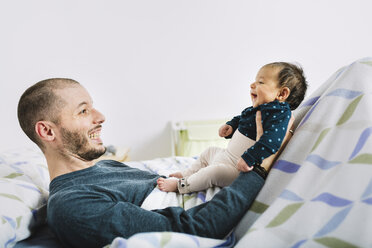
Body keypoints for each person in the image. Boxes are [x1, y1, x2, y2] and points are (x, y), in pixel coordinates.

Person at [17, 78, 293, 248]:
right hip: (250, 184)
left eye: (93, 106)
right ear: (48, 132)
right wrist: (260, 165)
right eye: (84, 110)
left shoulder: (104, 167)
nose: (100, 116)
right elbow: (192, 230)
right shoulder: (73, 206)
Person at [158, 62, 307, 194]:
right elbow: (243, 117)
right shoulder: (259, 108)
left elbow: (272, 141)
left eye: (261, 82)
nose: (252, 85)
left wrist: (250, 158)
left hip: (237, 170)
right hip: (226, 156)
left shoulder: (279, 115)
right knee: (209, 152)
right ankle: (187, 174)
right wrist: (231, 125)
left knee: (213, 172)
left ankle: (181, 186)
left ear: (282, 93)